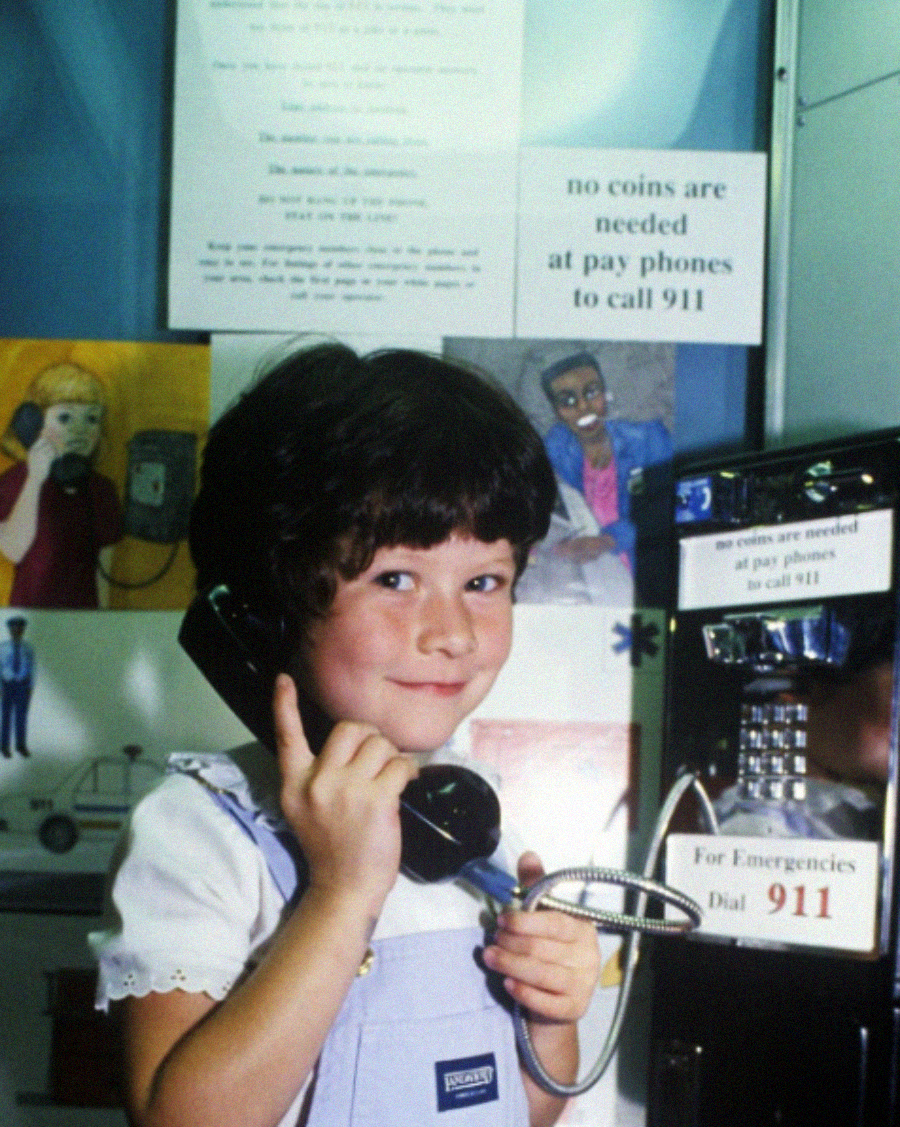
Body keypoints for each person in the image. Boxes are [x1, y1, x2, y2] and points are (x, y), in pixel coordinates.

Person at [90, 343, 602, 1127]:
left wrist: (551, 1013)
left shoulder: (469, 813)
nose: (452, 632)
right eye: (394, 579)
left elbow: (523, 1107)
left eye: (484, 582)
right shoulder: (199, 833)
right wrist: (341, 893)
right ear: (269, 605)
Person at [0, 362, 123, 608]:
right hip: (30, 616)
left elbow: (104, 573)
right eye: (65, 417)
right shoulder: (16, 481)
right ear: (33, 423)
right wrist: (34, 480)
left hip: (83, 617)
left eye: (92, 419)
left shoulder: (101, 489)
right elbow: (13, 550)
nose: (80, 430)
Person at [540, 352, 671, 575]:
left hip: (647, 573)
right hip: (596, 574)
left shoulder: (648, 438)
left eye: (592, 392)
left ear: (605, 393)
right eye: (567, 401)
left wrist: (607, 542)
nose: (584, 407)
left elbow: (666, 510)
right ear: (557, 412)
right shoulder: (557, 445)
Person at [0, 615, 34, 756]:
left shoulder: (27, 648)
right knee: (6, 716)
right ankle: (4, 746)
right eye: (14, 629)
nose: (17, 631)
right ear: (10, 630)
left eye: (20, 629)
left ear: (23, 631)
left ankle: (20, 745)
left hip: (22, 685)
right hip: (7, 684)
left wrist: (30, 686)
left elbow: (32, 667)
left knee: (21, 717)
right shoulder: (3, 647)